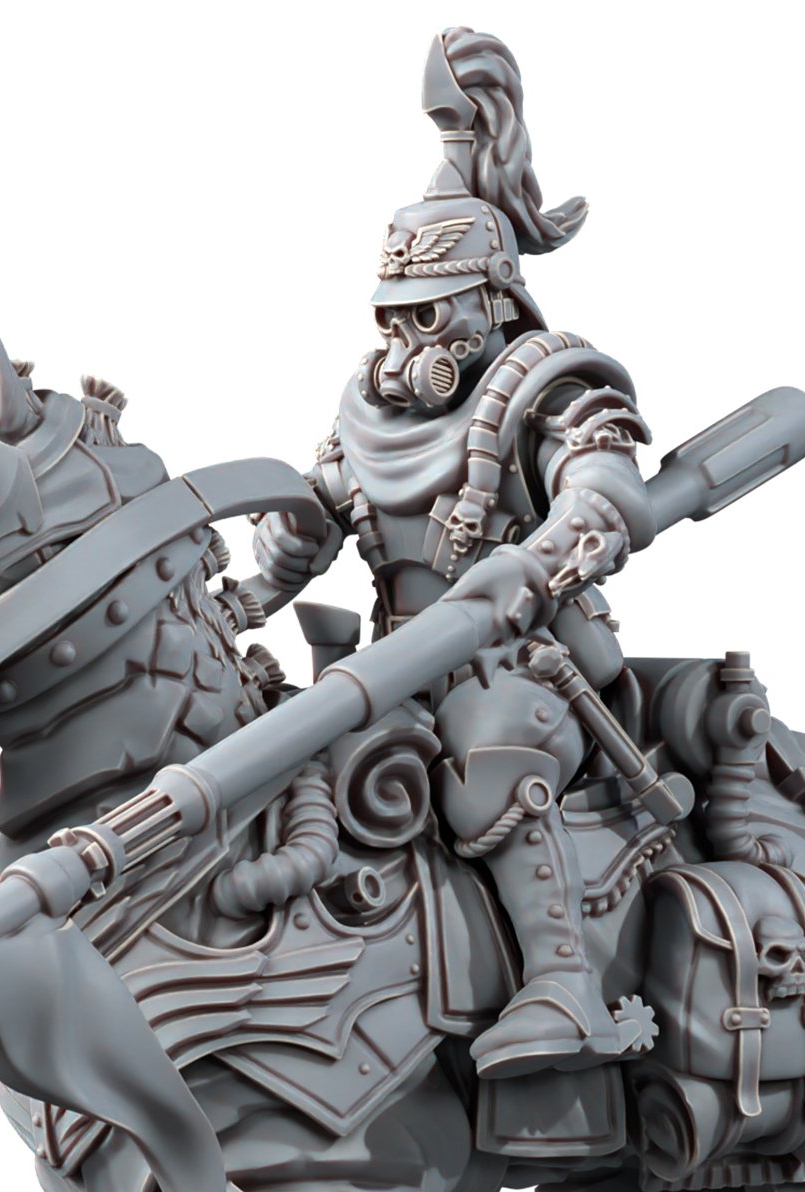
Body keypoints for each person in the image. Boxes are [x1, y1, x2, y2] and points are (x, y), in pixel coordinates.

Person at [252, 27, 656, 1078]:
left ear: (491, 301)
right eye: (391, 319)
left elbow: (608, 491)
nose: (404, 345)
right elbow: (321, 512)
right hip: (391, 661)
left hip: (526, 659)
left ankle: (562, 986)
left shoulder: (548, 388)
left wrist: (545, 556)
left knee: (486, 759)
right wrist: (267, 566)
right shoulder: (366, 407)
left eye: (426, 315)